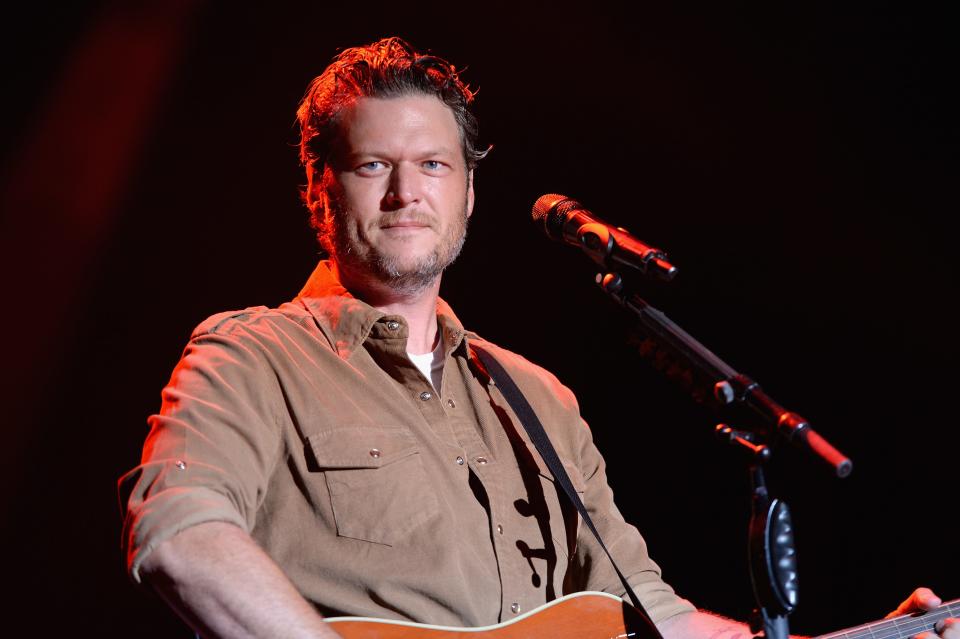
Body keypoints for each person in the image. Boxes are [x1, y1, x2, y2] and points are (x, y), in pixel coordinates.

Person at [118, 37, 956, 639]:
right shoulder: (251, 354)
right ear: (319, 188)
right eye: (375, 165)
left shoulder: (538, 398)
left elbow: (657, 617)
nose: (409, 191)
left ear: (471, 193)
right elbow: (179, 535)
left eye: (435, 165)